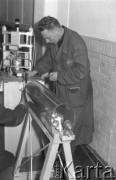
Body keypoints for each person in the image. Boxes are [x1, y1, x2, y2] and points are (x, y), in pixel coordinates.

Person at [27, 16, 94, 152]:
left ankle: (68, 166)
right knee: (61, 126)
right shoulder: (55, 40)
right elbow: (48, 60)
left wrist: (59, 76)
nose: (46, 41)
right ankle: (60, 160)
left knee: (70, 131)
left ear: (56, 30)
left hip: (76, 94)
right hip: (63, 91)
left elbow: (82, 70)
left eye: (47, 37)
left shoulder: (76, 43)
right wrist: (35, 71)